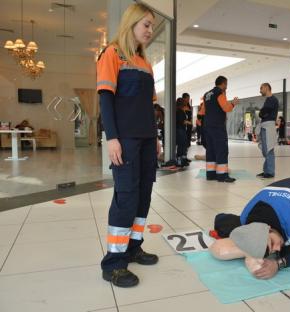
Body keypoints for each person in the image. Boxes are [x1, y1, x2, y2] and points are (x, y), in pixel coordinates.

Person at [96, 3, 159, 288]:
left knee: (143, 195)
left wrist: (156, 138)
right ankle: (114, 262)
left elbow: (148, 106)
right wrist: (112, 139)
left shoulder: (144, 62)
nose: (150, 30)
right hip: (125, 140)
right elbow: (106, 100)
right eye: (146, 24)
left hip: (146, 139)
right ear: (131, 23)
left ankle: (133, 246)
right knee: (126, 197)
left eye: (151, 26)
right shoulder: (112, 54)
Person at [212, 177, 290, 279]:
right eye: (270, 248)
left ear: (268, 228)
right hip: (285, 192)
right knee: (225, 225)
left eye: (272, 243)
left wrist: (279, 264)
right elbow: (220, 219)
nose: (276, 248)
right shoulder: (246, 217)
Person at [203, 75, 239, 182]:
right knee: (221, 149)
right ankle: (222, 175)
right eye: (226, 84)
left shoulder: (206, 94)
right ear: (223, 84)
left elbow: (203, 111)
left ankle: (210, 174)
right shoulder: (219, 93)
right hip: (217, 126)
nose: (226, 87)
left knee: (210, 150)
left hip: (207, 126)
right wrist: (233, 103)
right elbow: (226, 108)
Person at [256, 83, 279, 179]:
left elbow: (263, 113)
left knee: (269, 149)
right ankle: (267, 170)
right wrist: (262, 113)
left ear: (266, 87)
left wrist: (262, 113)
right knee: (266, 149)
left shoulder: (272, 100)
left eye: (261, 88)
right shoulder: (268, 100)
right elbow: (263, 113)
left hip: (268, 126)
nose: (260, 90)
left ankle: (270, 172)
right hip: (265, 126)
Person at [176, 97, 190, 167]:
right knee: (182, 145)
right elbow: (182, 121)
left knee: (182, 145)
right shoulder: (180, 111)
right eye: (184, 101)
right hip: (180, 130)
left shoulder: (179, 110)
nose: (186, 102)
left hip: (180, 130)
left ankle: (181, 160)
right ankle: (181, 161)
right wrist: (189, 122)